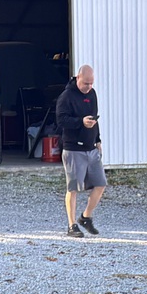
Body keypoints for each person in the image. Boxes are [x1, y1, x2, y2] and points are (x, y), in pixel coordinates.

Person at [56, 64, 104, 238]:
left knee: (100, 184)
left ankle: (86, 217)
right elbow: (61, 121)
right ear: (78, 78)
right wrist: (80, 122)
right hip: (73, 148)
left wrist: (97, 139)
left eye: (91, 84)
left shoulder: (92, 94)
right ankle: (71, 225)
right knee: (74, 188)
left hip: (91, 147)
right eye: (86, 83)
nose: (89, 87)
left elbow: (94, 117)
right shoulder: (66, 96)